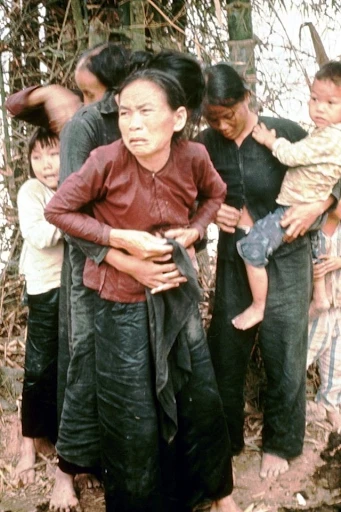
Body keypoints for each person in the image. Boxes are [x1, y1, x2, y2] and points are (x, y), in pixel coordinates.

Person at [45, 69, 241, 512]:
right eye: (124, 113)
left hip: (174, 293)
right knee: (128, 406)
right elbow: (58, 209)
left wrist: (193, 231)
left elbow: (215, 194)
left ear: (177, 118)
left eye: (145, 112)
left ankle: (216, 495)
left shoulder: (192, 156)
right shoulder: (105, 159)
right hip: (119, 299)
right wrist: (119, 241)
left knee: (198, 395)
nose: (132, 124)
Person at [197, 62, 340, 480]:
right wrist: (211, 212)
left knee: (285, 350)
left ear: (247, 98)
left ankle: (280, 443)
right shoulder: (204, 144)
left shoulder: (287, 133)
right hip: (234, 257)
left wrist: (323, 204)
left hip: (290, 257)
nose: (223, 125)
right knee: (225, 348)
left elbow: (334, 175)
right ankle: (228, 439)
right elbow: (191, 195)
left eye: (230, 114)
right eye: (213, 118)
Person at [233, 60, 341, 330]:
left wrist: (270, 140)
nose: (319, 108)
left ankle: (259, 305)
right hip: (313, 208)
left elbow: (292, 156)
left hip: (295, 208)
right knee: (314, 251)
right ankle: (320, 295)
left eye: (331, 103)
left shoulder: (331, 138)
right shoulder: (327, 133)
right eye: (314, 99)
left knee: (252, 247)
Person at [14, 127, 63, 485]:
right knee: (39, 364)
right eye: (37, 157)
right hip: (45, 286)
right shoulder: (32, 191)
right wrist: (75, 215)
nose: (46, 165)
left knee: (67, 363)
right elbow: (40, 235)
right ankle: (28, 442)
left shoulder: (73, 182)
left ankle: (58, 439)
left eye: (53, 154)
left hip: (76, 287)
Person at [307, 200, 341, 431]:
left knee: (336, 360)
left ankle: (330, 405)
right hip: (316, 307)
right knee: (303, 353)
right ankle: (291, 406)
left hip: (338, 305)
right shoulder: (313, 231)